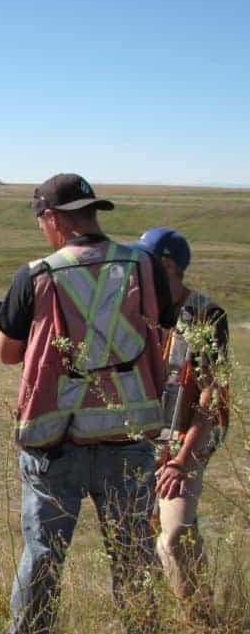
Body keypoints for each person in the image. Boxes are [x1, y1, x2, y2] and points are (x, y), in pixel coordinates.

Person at [0, 173, 177, 634]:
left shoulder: (36, 274)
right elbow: (166, 324)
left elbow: (7, 354)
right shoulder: (145, 266)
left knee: (42, 560)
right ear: (94, 213)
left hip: (56, 442)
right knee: (133, 555)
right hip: (128, 439)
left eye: (41, 220)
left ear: (51, 218)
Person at [134, 227, 229, 624]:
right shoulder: (138, 310)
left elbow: (213, 395)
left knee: (173, 537)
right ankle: (154, 618)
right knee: (143, 539)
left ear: (167, 266)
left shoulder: (206, 314)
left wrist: (182, 459)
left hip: (189, 437)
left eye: (145, 263)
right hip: (144, 438)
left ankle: (202, 621)